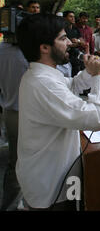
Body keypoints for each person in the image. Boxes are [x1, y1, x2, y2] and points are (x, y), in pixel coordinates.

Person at [16, 13, 100, 210]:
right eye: (62, 38)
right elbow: (98, 117)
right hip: (51, 187)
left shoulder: (44, 75)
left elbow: (72, 85)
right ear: (44, 47)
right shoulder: (44, 84)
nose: (69, 42)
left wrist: (88, 71)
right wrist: (98, 77)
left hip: (58, 177)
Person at [0, 35, 28, 210]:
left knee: (16, 162)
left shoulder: (3, 51)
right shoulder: (30, 54)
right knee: (19, 163)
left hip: (10, 110)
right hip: (21, 113)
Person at [63, 11, 84, 76]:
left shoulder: (75, 29)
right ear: (65, 18)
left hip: (75, 58)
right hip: (65, 58)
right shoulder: (62, 29)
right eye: (70, 16)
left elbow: (82, 42)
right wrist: (75, 44)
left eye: (73, 17)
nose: (73, 18)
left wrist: (77, 41)